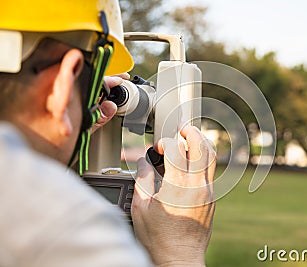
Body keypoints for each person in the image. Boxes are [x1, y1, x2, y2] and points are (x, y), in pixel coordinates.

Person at [0, 1, 216, 266]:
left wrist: (53, 141)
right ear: (62, 84)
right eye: (91, 90)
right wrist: (180, 253)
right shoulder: (69, 229)